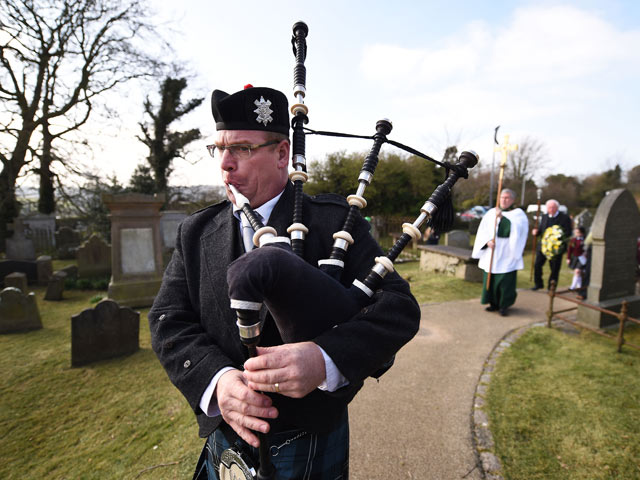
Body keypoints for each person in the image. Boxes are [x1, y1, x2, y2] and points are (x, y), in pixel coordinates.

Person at [148, 85, 421, 480]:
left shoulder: (334, 222)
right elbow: (168, 318)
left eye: (241, 148)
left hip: (309, 438)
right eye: (219, 148)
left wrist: (323, 358)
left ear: (282, 154)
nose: (225, 163)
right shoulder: (196, 231)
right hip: (228, 441)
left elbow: (398, 307)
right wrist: (217, 381)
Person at [471, 188, 529, 316]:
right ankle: (493, 303)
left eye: (507, 198)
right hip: (492, 252)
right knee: (491, 280)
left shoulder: (518, 215)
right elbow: (483, 230)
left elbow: (517, 231)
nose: (504, 200)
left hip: (507, 253)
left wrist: (502, 218)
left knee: (504, 282)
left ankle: (504, 305)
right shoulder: (491, 212)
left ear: (513, 200)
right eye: (502, 197)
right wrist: (487, 241)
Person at [531, 199, 573, 290]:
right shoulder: (545, 217)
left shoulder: (564, 218)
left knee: (554, 268)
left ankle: (551, 287)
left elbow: (568, 232)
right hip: (543, 246)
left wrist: (557, 238)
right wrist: (536, 232)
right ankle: (538, 284)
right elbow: (541, 230)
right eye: (549, 207)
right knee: (537, 265)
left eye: (553, 207)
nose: (551, 209)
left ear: (557, 208)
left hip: (556, 248)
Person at [567, 226, 586, 291]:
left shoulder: (585, 240)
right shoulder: (573, 240)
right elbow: (570, 249)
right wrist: (568, 258)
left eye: (578, 232)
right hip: (575, 258)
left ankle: (573, 287)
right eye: (575, 232)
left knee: (577, 271)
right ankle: (579, 287)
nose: (576, 234)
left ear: (582, 233)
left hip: (582, 258)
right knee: (578, 273)